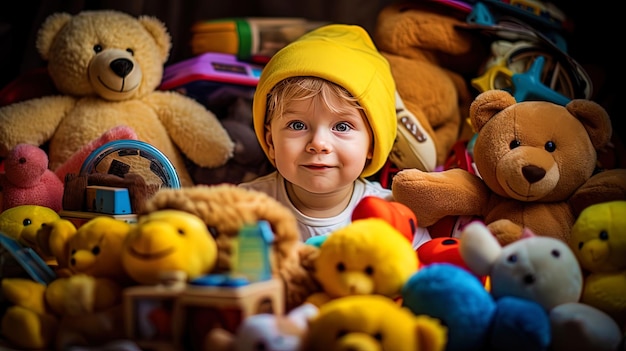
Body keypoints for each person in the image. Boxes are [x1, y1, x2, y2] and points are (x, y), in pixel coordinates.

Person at [239, 23, 430, 248]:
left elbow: (422, 272)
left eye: (342, 127)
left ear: (372, 144)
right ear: (271, 142)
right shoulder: (245, 207)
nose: (318, 144)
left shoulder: (392, 214)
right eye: (298, 125)